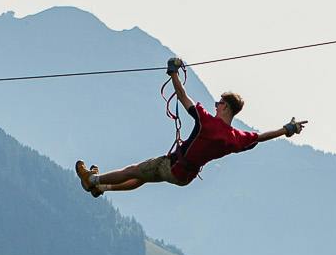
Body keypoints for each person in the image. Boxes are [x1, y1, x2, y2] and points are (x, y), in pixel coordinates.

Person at [79, 58, 306, 195]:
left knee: (134, 170)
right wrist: (287, 129)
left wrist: (174, 72)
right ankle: (103, 188)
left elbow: (182, 96)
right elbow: (261, 137)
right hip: (185, 177)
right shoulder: (236, 138)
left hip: (174, 166)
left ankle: (93, 181)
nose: (215, 105)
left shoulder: (207, 121)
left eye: (219, 103)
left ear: (225, 107)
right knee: (143, 178)